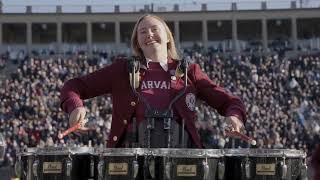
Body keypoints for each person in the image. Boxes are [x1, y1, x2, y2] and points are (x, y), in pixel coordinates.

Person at [60, 14, 246, 149]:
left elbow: (229, 102)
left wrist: (235, 116)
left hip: (181, 164)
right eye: (142, 32)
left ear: (167, 37)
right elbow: (74, 86)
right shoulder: (121, 70)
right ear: (137, 42)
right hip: (131, 163)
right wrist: (75, 106)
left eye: (154, 29)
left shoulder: (189, 71)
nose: (148, 34)